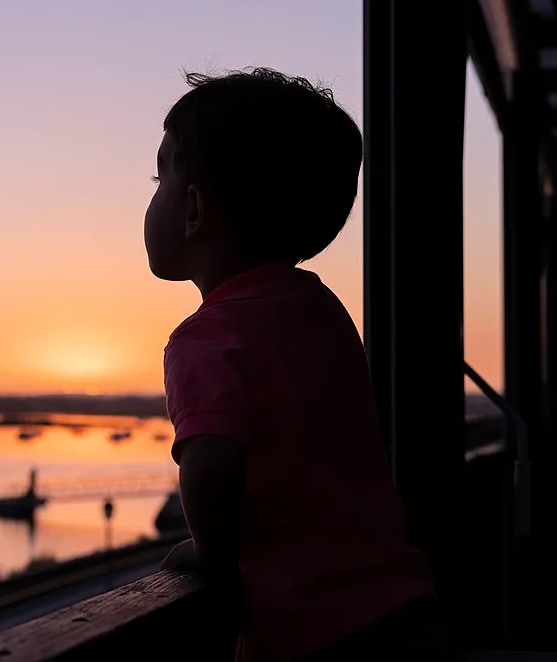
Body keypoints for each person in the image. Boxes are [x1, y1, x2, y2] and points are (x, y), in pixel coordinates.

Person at [146, 68, 453, 661]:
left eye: (159, 179)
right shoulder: (320, 310)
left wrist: (210, 553)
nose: (151, 197)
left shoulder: (206, 337)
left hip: (313, 633)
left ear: (192, 211)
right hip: (407, 610)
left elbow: (211, 465)